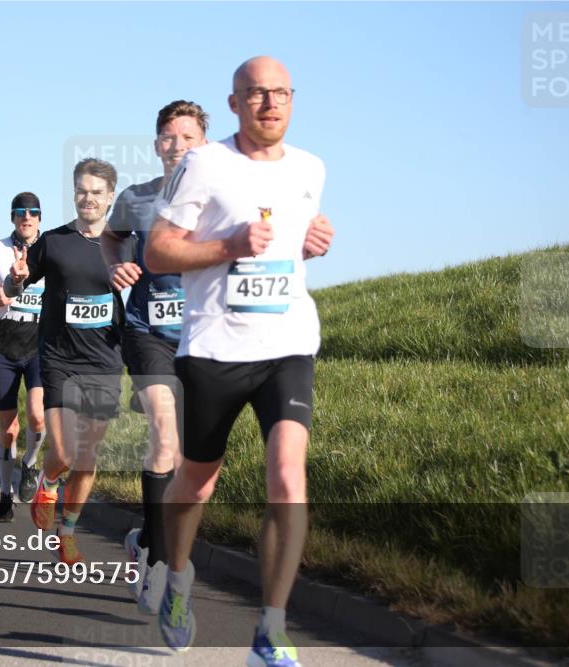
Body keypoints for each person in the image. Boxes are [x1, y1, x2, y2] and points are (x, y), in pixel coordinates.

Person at [145, 56, 335, 665]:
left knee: (286, 476)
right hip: (215, 348)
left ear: (292, 100)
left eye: (280, 94)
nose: (270, 104)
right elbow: (158, 252)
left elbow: (291, 250)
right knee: (198, 478)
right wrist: (226, 245)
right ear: (234, 104)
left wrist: (314, 244)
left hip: (288, 344)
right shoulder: (205, 164)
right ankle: (177, 578)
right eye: (256, 95)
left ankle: (271, 629)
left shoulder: (311, 168)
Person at [100, 100, 208, 614]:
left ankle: (146, 540)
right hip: (148, 335)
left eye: (188, 137)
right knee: (164, 435)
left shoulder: (221, 201)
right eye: (169, 137)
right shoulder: (137, 200)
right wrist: (115, 268)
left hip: (203, 339)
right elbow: (110, 238)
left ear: (204, 145)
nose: (178, 146)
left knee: (189, 460)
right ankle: (160, 567)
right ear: (156, 145)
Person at [5, 159, 124, 566]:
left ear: (110, 196)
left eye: (96, 191)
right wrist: (15, 279)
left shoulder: (126, 245)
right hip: (59, 359)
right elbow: (15, 281)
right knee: (68, 451)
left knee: (88, 455)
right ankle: (49, 480)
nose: (87, 198)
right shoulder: (52, 242)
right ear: (74, 194)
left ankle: (67, 533)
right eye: (81, 190)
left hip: (106, 361)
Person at [0, 192, 49, 522]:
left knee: (38, 416)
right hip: (4, 342)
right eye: (20, 212)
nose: (26, 218)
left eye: (32, 213)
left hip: (40, 343)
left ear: (40, 218)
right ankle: (5, 492)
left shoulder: (50, 250)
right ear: (12, 217)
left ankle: (30, 464)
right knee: (9, 429)